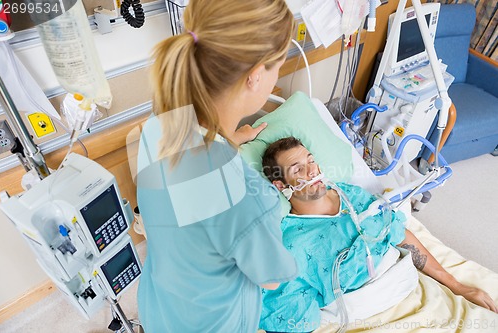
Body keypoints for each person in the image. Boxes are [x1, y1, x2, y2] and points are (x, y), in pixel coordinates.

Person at [135, 1, 299, 332]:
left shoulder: (159, 126)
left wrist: (228, 140)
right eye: (279, 65)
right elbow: (271, 278)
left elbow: (191, 194)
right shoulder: (248, 199)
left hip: (161, 311)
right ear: (255, 76)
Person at [259, 137, 498, 333]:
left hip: (414, 288)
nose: (312, 170)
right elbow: (288, 312)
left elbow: (398, 233)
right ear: (282, 186)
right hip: (369, 319)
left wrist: (457, 286)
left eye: (310, 160)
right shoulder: (291, 243)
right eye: (298, 169)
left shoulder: (350, 194)